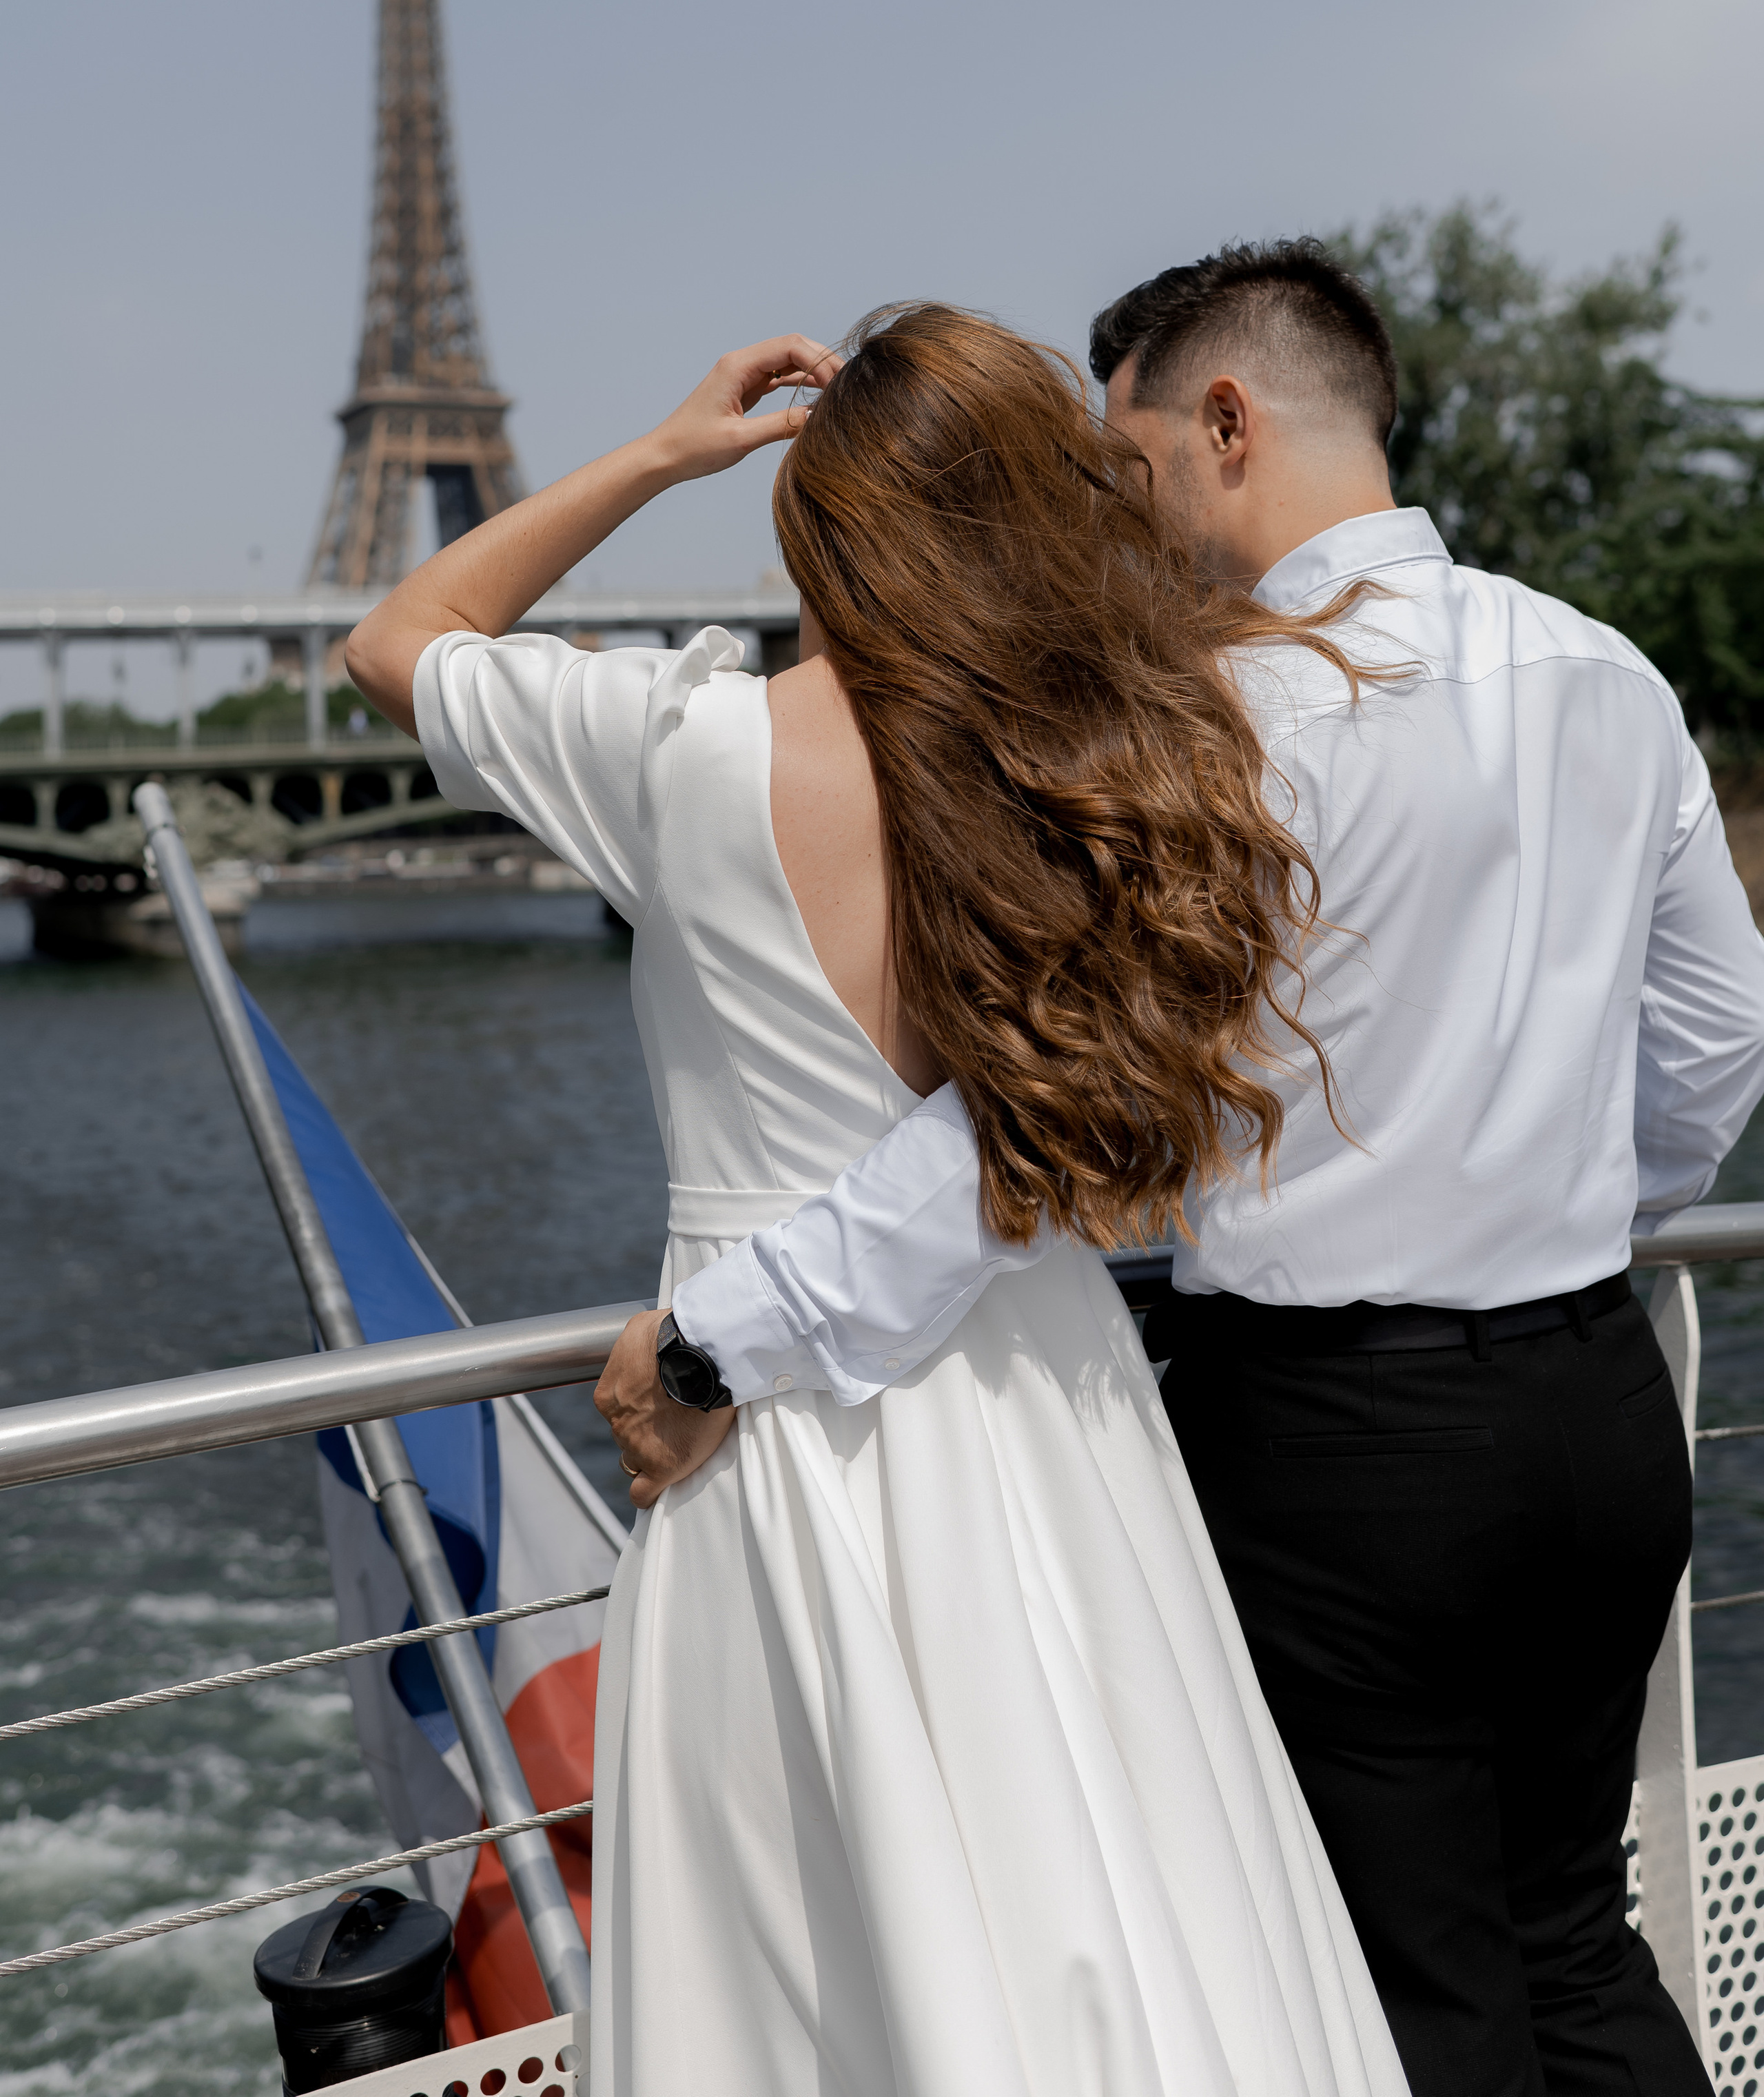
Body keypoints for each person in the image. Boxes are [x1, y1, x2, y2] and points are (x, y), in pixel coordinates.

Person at [608, 244, 1764, 2097]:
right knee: (1572, 1936)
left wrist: (723, 1337)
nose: (1111, 515)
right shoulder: (1601, 671)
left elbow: (1042, 1125)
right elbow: (1714, 1042)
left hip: (1344, 1455)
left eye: (1123, 458)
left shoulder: (1227, 716)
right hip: (1595, 1402)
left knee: (1416, 1983)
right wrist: (1540, 1212)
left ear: (1223, 422)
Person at [346, 306, 1410, 2097]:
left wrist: (663, 452)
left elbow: (400, 635)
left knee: (810, 1973)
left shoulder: (684, 755)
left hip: (771, 1452)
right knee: (1134, 1897)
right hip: (1055, 1413)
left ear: (818, 527)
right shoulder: (1117, 774)